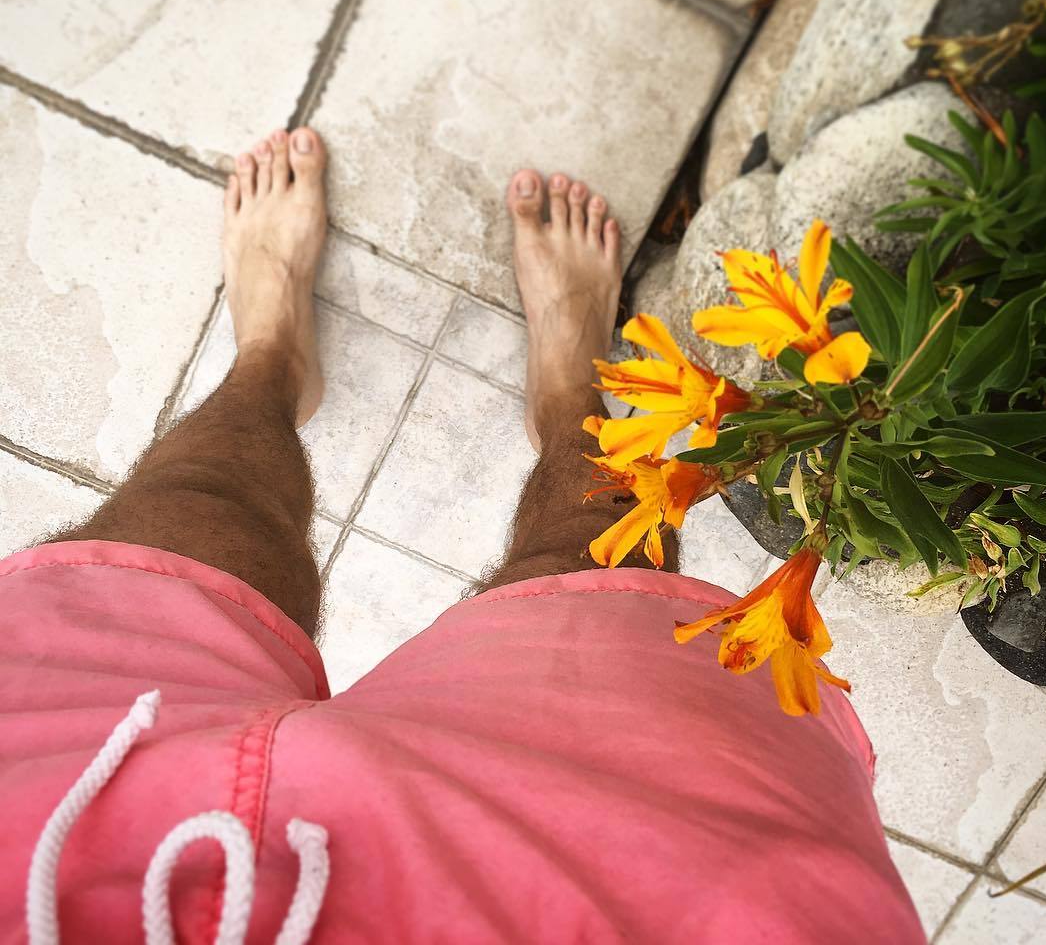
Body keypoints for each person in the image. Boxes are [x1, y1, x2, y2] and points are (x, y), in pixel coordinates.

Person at [2, 128, 924, 943]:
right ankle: (570, 396)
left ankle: (271, 361)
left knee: (198, 512)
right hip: (623, 893)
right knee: (591, 568)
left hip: (42, 823)